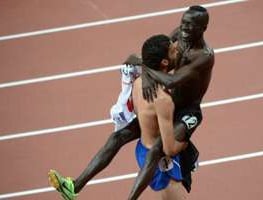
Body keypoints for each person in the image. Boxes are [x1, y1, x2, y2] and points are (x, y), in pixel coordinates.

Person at [48, 5, 214, 200]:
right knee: (117, 138)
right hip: (168, 105)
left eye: (189, 26)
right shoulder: (180, 35)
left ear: (203, 28)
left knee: (156, 151)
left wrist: (145, 67)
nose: (183, 30)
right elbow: (160, 57)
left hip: (187, 112)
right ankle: (74, 187)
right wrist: (146, 69)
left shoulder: (204, 55)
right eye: (182, 23)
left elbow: (171, 80)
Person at [133, 34, 187, 199]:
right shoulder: (163, 99)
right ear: (164, 62)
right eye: (173, 51)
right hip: (160, 160)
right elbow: (169, 149)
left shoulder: (139, 82)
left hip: (144, 148)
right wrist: (185, 142)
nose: (177, 51)